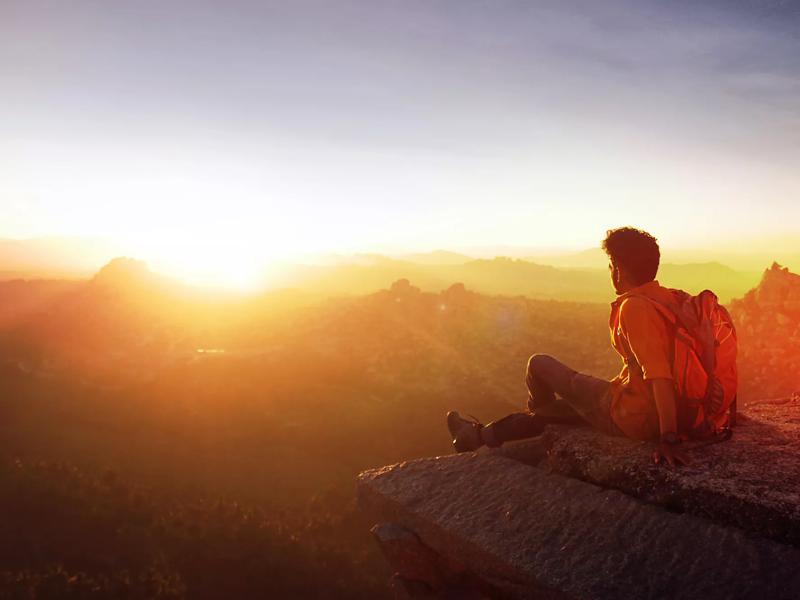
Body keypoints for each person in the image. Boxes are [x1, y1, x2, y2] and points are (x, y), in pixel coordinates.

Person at [447, 226, 693, 467]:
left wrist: (668, 438)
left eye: (611, 265)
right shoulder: (669, 298)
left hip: (634, 416)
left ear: (618, 269)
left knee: (538, 364)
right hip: (666, 409)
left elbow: (660, 376)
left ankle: (528, 426)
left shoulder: (635, 307)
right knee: (568, 408)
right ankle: (478, 436)